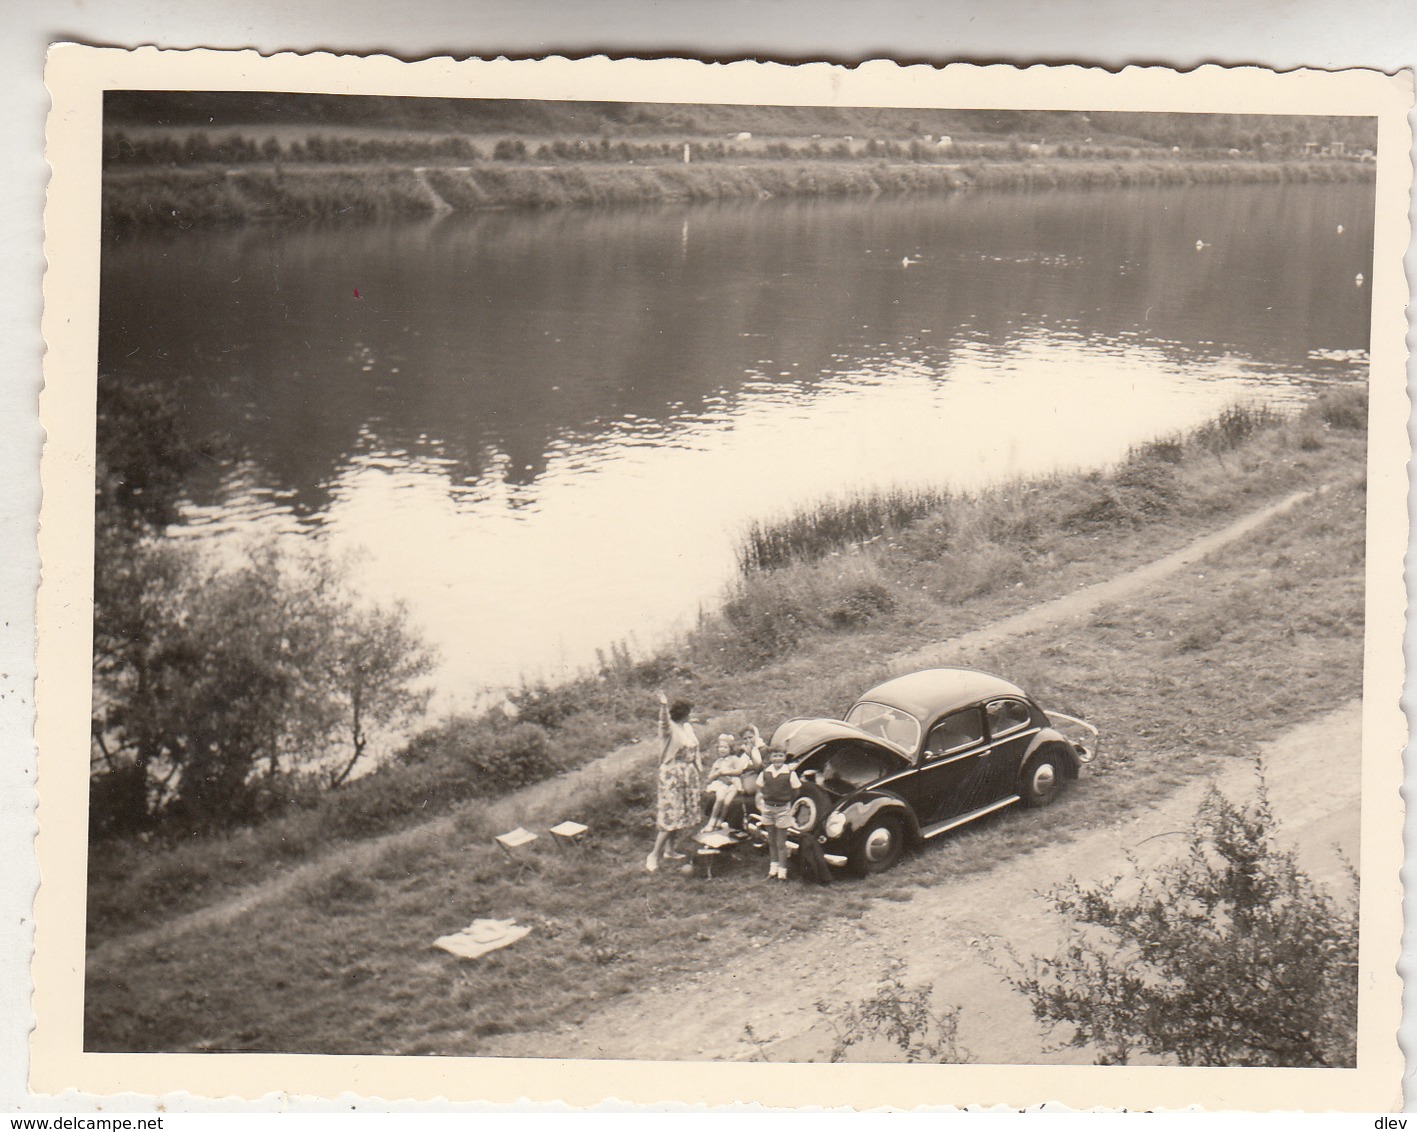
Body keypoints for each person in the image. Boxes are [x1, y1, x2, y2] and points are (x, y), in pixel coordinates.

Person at [647, 691, 702, 873]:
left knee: (679, 814)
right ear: (683, 712)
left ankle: (670, 851)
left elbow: (694, 749)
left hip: (686, 775)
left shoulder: (687, 728)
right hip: (672, 776)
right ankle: (654, 855)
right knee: (671, 815)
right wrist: (663, 705)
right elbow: (663, 721)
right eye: (690, 712)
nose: (692, 715)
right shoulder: (669, 727)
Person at [756, 745, 801, 881]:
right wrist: (764, 801)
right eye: (775, 756)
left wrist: (787, 802)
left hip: (782, 809)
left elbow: (796, 790)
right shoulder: (765, 773)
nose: (777, 759)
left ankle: (782, 873)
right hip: (768, 809)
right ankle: (773, 869)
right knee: (771, 841)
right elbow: (759, 787)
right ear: (770, 758)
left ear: (785, 757)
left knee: (781, 843)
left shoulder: (790, 773)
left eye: (780, 756)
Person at [701, 732, 754, 833]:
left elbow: (739, 770)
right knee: (720, 798)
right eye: (720, 747)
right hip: (722, 784)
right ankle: (711, 822)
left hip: (733, 784)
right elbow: (709, 777)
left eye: (725, 747)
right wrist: (717, 773)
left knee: (727, 802)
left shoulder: (734, 759)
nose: (722, 749)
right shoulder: (718, 762)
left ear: (730, 749)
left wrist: (727, 772)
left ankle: (720, 821)